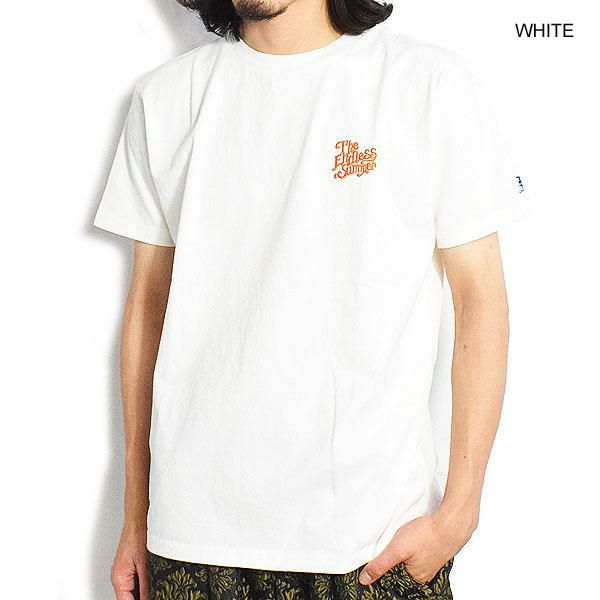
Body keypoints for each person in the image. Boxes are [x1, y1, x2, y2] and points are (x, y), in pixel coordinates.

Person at [93, 0, 532, 598]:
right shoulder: (166, 98)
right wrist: (136, 518)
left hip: (371, 543)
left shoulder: (427, 84)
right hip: (191, 542)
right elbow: (148, 309)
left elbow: (481, 300)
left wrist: (460, 512)